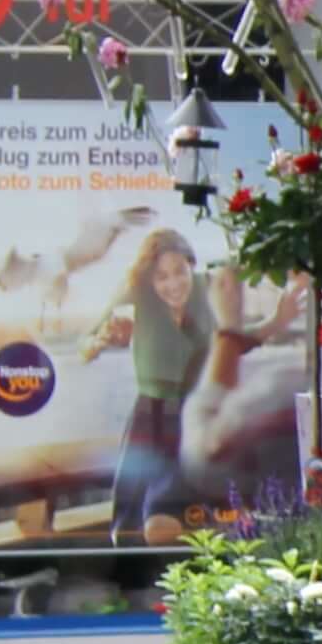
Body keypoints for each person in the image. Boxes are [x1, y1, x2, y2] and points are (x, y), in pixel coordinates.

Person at [92, 231, 216, 542]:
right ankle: (131, 574)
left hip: (196, 410)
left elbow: (233, 336)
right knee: (129, 518)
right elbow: (88, 339)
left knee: (184, 506)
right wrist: (102, 340)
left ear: (191, 265)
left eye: (179, 272)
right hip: (151, 411)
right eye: (161, 277)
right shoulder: (136, 291)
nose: (173, 284)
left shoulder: (208, 287)